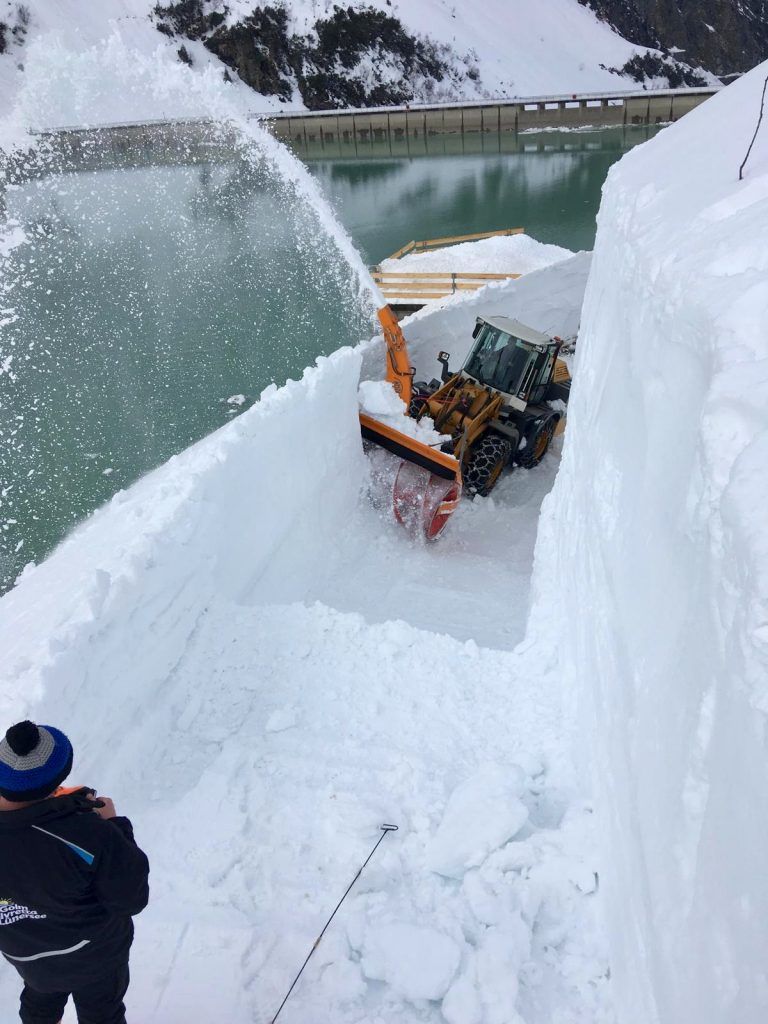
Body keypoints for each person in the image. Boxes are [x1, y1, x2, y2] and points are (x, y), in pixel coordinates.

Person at [0, 720, 149, 1024]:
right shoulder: (89, 834)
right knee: (102, 1014)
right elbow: (130, 899)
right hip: (95, 956)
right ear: (57, 777)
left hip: (28, 957)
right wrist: (114, 826)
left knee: (40, 1005)